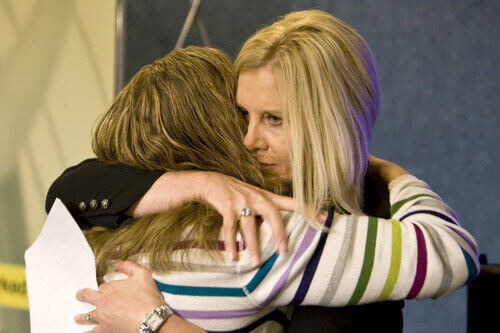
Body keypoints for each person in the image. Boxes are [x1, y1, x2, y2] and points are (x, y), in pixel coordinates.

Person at [46, 10, 479, 333]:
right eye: (242, 116)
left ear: (329, 125)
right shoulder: (262, 229)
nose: (249, 139)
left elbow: (62, 196)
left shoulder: (122, 230)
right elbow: (454, 253)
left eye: (273, 118)